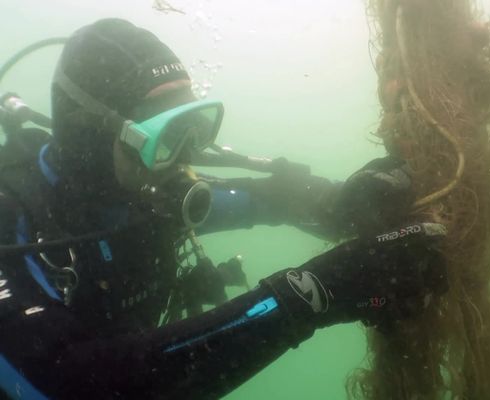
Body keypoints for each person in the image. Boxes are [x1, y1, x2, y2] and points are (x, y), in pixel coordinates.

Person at [0, 19, 447, 399]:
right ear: (92, 139)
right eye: (166, 135)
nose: (185, 157)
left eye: (194, 127)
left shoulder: (144, 189)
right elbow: (66, 382)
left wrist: (346, 203)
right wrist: (314, 294)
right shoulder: (12, 216)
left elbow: (272, 198)